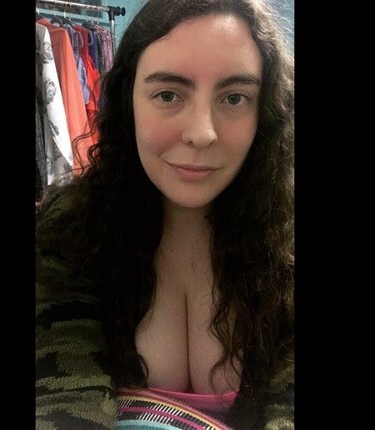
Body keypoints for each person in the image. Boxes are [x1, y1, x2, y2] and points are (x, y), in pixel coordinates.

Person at [36, 0, 294, 429]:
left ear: (264, 110)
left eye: (234, 98)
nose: (202, 133)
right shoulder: (72, 231)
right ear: (128, 102)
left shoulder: (286, 238)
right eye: (169, 95)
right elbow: (62, 400)